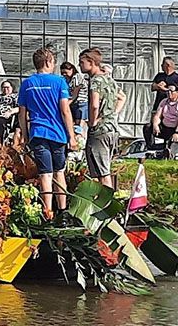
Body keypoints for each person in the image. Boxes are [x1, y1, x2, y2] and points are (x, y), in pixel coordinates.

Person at [17, 46, 78, 220]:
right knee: (59, 172)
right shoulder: (59, 82)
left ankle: (47, 212)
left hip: (38, 132)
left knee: (45, 173)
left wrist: (25, 135)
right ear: (48, 62)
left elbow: (22, 113)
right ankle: (63, 211)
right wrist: (72, 136)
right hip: (57, 133)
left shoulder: (27, 84)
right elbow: (65, 111)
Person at [79, 48, 119, 188]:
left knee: (102, 173)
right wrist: (112, 114)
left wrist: (92, 121)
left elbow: (94, 104)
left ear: (91, 62)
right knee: (105, 167)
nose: (80, 65)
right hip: (112, 129)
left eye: (81, 62)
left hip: (100, 131)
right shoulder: (109, 80)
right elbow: (121, 97)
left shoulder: (95, 81)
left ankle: (106, 205)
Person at [144, 57, 178, 146]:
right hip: (159, 104)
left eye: (163, 65)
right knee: (152, 124)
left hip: (171, 107)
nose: (161, 66)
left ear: (168, 66)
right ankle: (151, 145)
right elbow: (152, 87)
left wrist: (165, 89)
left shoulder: (177, 78)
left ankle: (171, 145)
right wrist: (158, 86)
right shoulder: (159, 76)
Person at [150, 82, 178, 156]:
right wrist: (155, 125)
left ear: (177, 92)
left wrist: (177, 132)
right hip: (167, 127)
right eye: (167, 91)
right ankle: (151, 148)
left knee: (177, 138)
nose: (169, 93)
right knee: (148, 127)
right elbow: (157, 115)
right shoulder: (164, 101)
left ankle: (172, 153)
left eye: (171, 91)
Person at [61, 61, 89, 135]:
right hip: (74, 103)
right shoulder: (67, 79)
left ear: (72, 70)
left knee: (78, 126)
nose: (64, 74)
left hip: (81, 102)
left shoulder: (76, 77)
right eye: (62, 73)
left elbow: (74, 95)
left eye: (66, 72)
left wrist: (66, 104)